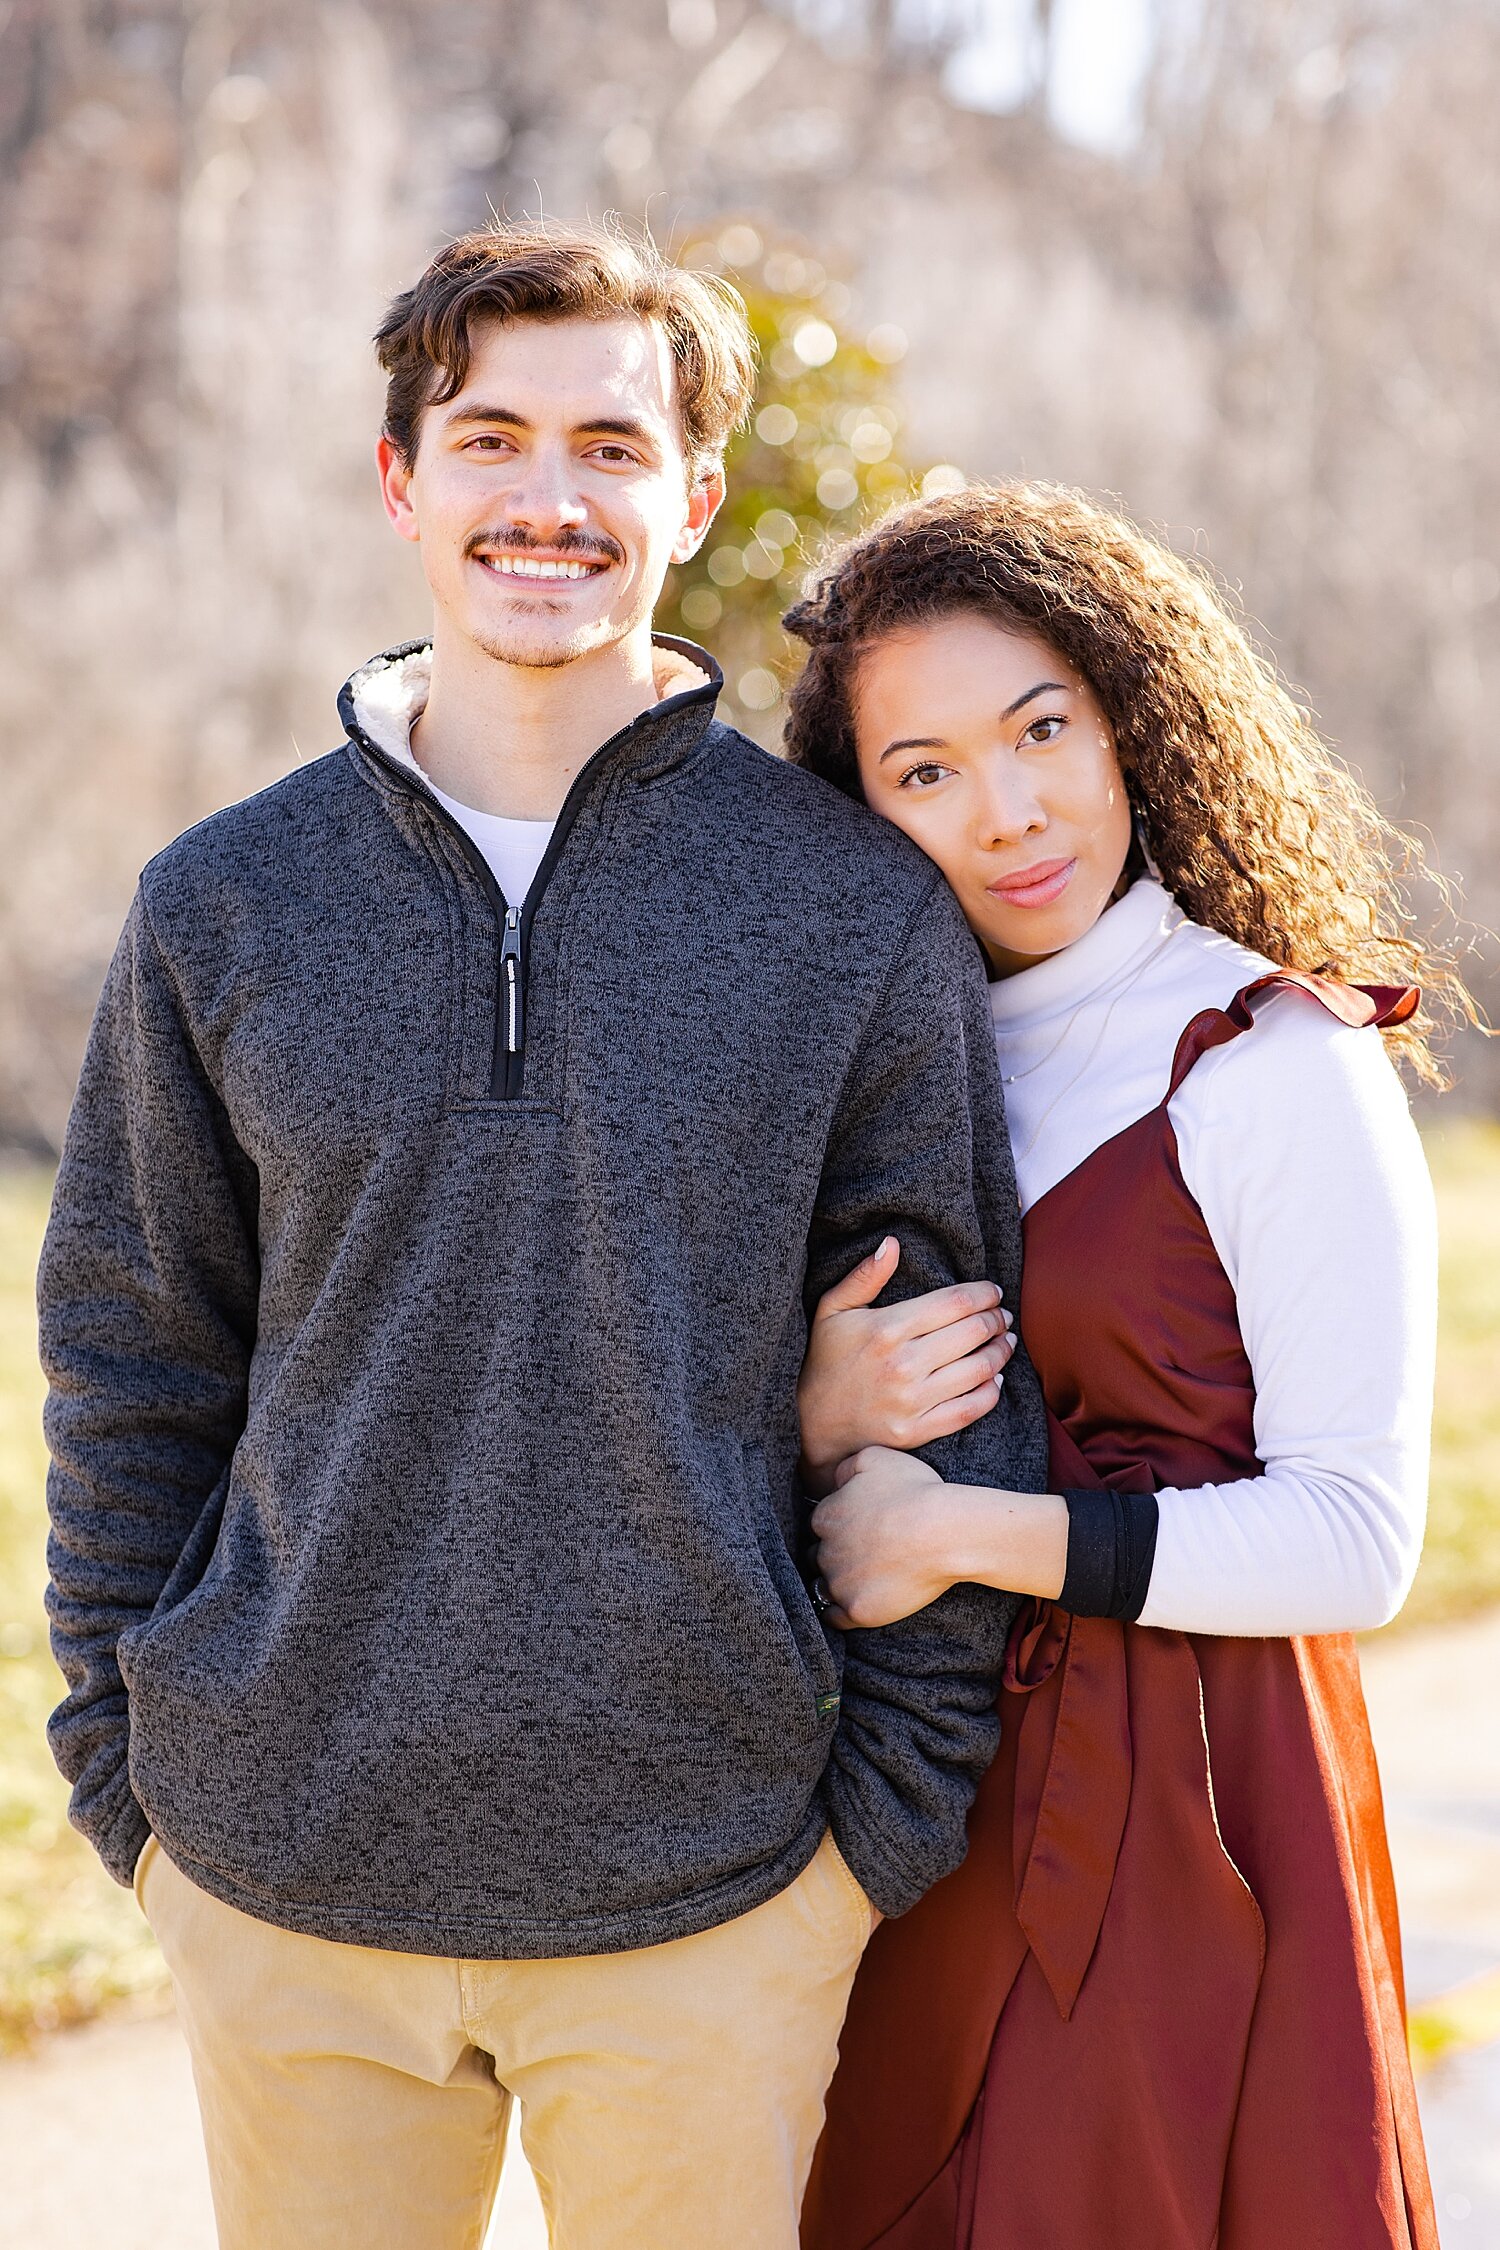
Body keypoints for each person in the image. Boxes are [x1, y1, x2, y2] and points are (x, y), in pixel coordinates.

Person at [37, 227, 1047, 2250]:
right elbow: (133, 1360)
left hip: (715, 1896)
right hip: (284, 1880)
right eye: (492, 438)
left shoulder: (848, 911)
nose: (551, 498)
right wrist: (132, 1787)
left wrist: (872, 1837)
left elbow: (956, 1385)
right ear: (402, 481)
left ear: (692, 490)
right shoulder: (223, 906)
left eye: (611, 442)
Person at [784, 481, 1467, 2250]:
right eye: (922, 769)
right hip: (910, 1801)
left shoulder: (1269, 1060)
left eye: (1040, 732)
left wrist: (961, 1533)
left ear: (1128, 719)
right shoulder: (868, 1075)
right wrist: (817, 1413)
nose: (1006, 813)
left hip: (1194, 1817)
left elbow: (1356, 1539)